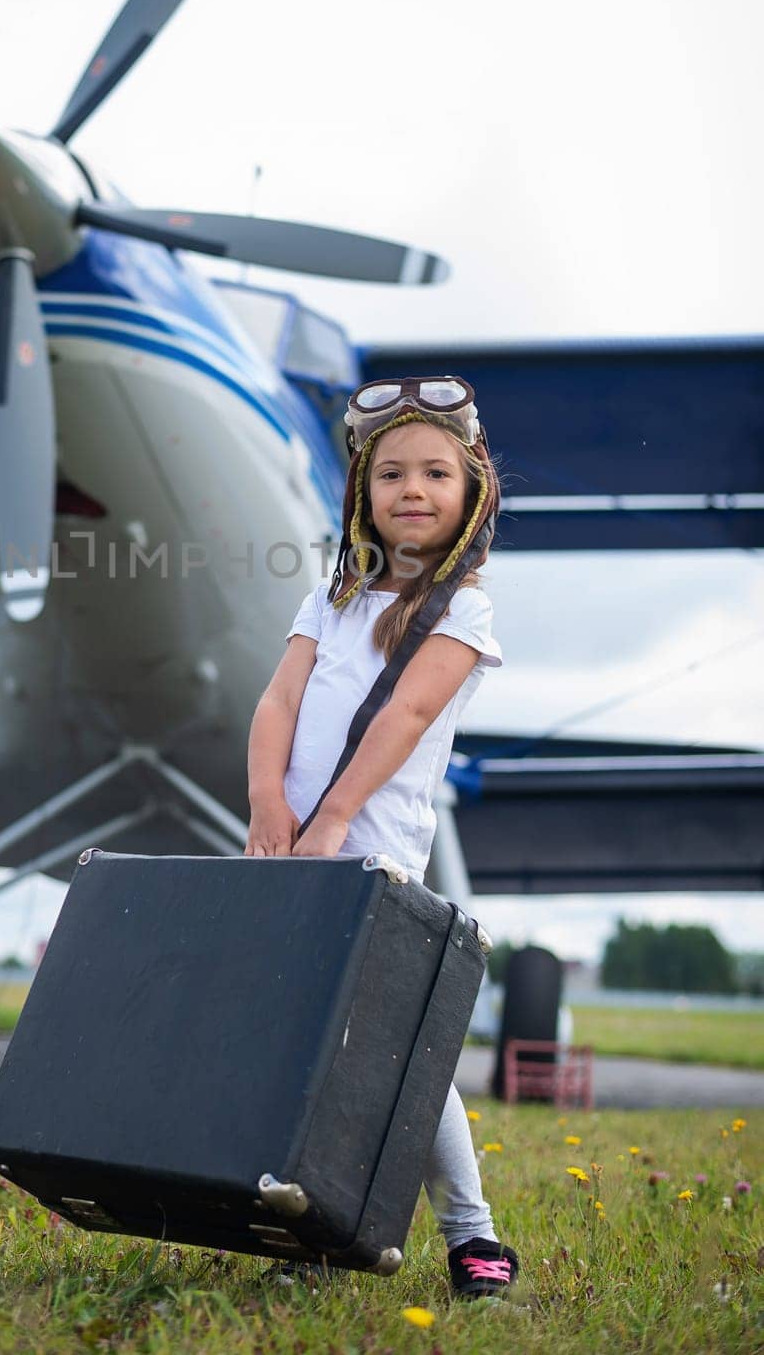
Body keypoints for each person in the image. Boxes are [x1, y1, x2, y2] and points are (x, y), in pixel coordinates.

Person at [245, 375, 521, 1301]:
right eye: (391, 472)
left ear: (472, 487)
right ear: (362, 491)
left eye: (436, 472)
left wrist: (329, 821)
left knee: (398, 1054)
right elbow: (279, 700)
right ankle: (312, 1226)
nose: (413, 488)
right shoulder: (330, 599)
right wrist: (265, 808)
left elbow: (405, 715)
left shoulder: (463, 612)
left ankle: (473, 1237)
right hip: (290, 855)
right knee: (297, 1046)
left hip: (369, 856)